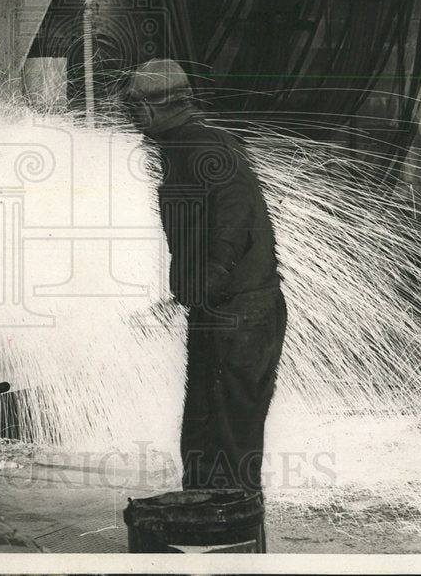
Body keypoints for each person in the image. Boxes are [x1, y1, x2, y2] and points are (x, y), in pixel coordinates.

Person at [123, 59, 287, 529]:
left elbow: (232, 219)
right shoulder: (181, 145)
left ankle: (231, 537)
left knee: (227, 440)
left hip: (240, 314)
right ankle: (205, 528)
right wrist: (186, 292)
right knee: (204, 432)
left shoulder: (202, 145)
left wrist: (210, 275)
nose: (131, 117)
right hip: (223, 310)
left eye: (137, 107)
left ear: (164, 106)